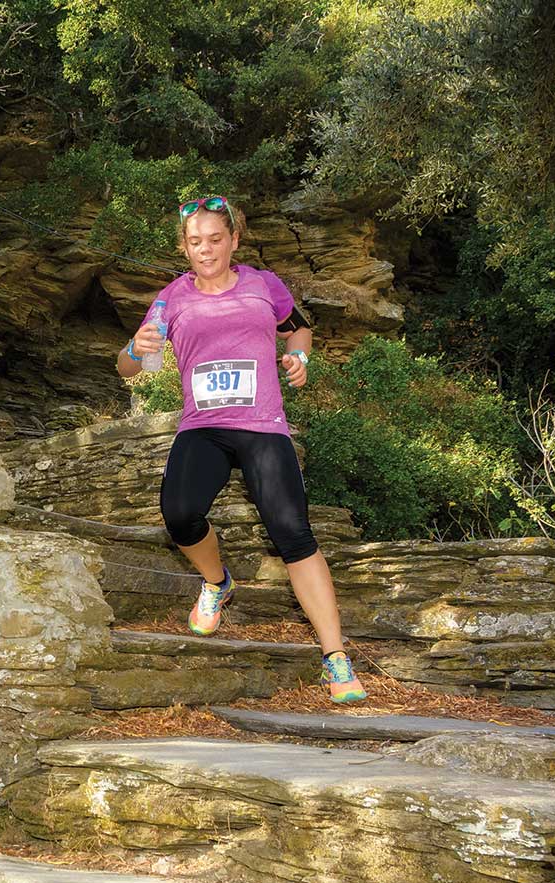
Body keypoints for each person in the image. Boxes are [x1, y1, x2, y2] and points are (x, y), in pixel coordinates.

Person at [117, 194, 367, 703]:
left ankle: (335, 658)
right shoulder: (170, 299)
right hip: (203, 426)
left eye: (214, 239)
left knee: (292, 531)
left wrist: (299, 358)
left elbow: (298, 327)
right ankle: (217, 581)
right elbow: (135, 367)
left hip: (263, 424)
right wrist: (134, 350)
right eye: (194, 242)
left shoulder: (263, 284)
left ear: (233, 240)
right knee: (180, 514)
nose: (204, 250)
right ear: (183, 247)